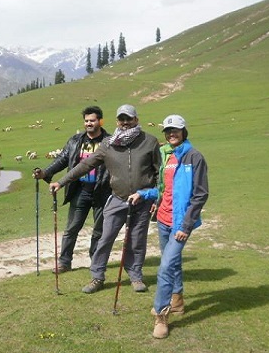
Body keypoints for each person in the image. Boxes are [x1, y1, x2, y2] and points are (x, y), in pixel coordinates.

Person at [50, 104, 161, 294]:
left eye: (129, 119)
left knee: (137, 240)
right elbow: (85, 164)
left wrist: (156, 199)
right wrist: (61, 182)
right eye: (121, 119)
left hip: (142, 201)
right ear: (117, 121)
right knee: (105, 238)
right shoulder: (108, 144)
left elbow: (159, 172)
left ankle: (135, 276)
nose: (125, 123)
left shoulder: (149, 141)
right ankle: (97, 277)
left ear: (136, 120)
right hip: (117, 199)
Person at [137, 114, 209, 339]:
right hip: (163, 219)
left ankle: (161, 314)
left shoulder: (194, 157)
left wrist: (186, 226)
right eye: (168, 131)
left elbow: (200, 195)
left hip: (180, 223)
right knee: (173, 262)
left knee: (165, 267)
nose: (171, 134)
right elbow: (163, 189)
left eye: (175, 130)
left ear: (184, 131)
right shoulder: (166, 155)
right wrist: (143, 194)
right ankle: (177, 301)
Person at [33, 106, 111, 274]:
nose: (89, 123)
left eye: (92, 120)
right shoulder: (75, 141)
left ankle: (95, 262)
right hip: (80, 190)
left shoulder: (109, 141)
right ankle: (64, 262)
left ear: (100, 121)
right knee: (71, 229)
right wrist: (46, 173)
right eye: (86, 121)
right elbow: (62, 159)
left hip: (103, 191)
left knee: (99, 231)